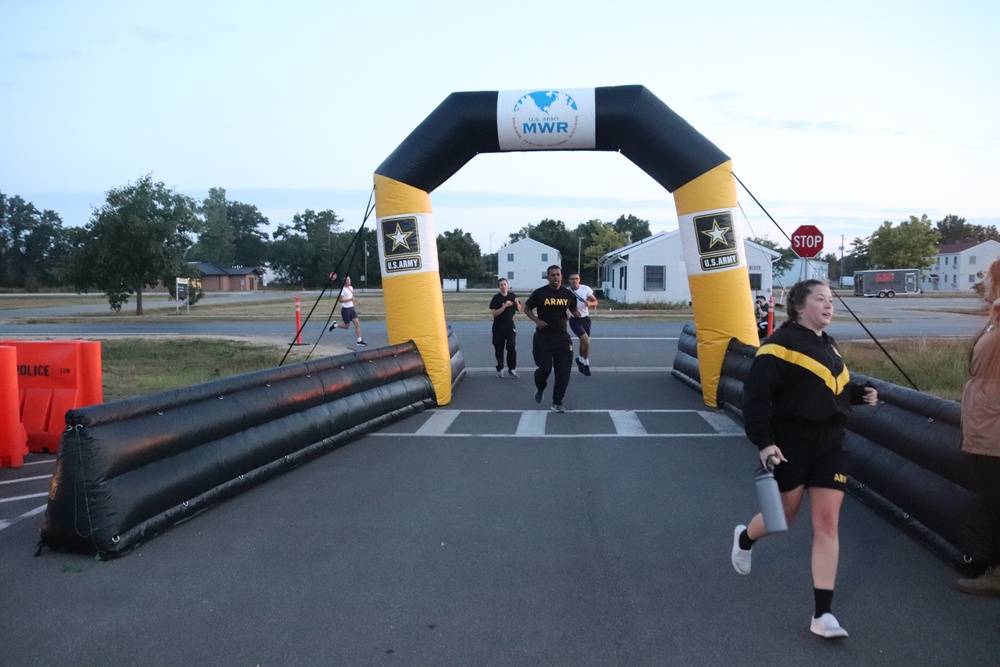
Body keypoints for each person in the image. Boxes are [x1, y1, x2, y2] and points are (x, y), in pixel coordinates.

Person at [731, 279, 878, 639]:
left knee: (827, 524)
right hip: (790, 442)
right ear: (798, 306)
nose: (829, 306)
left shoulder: (830, 346)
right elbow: (756, 398)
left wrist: (858, 395)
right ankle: (745, 539)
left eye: (831, 300)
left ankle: (822, 614)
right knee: (784, 516)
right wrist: (764, 443)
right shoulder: (777, 347)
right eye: (820, 299)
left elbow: (831, 390)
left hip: (831, 442)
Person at [956, 257, 1000, 596]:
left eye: (987, 277)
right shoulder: (993, 319)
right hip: (983, 423)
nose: (983, 282)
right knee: (989, 501)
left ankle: (996, 574)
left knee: (995, 503)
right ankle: (986, 562)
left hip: (994, 428)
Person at [524, 265, 578, 413]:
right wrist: (536, 320)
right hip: (543, 337)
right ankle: (540, 387)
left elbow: (574, 310)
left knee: (563, 371)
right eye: (552, 275)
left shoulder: (567, 294)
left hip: (562, 338)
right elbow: (527, 308)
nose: (555, 277)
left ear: (561, 276)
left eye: (558, 275)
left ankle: (557, 402)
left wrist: (574, 314)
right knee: (545, 369)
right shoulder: (540, 293)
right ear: (548, 277)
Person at [489, 278, 521, 378]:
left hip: (510, 325)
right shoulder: (496, 298)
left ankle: (512, 368)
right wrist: (504, 306)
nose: (503, 287)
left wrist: (517, 303)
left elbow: (519, 310)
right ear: (499, 287)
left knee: (511, 346)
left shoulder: (512, 295)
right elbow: (494, 314)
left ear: (507, 285)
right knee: (499, 347)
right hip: (498, 326)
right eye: (501, 285)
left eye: (504, 284)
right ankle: (500, 367)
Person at [567, 273, 599, 376]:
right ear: (569, 281)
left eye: (576, 278)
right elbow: (562, 306)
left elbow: (595, 302)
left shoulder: (585, 289)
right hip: (574, 320)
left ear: (579, 280)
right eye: (572, 279)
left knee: (583, 342)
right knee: (587, 341)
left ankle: (580, 360)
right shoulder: (567, 292)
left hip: (585, 319)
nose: (575, 281)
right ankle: (586, 364)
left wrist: (590, 303)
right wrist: (566, 313)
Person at [328, 274, 367, 346]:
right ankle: (335, 325)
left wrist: (356, 300)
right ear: (344, 282)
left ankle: (359, 341)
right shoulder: (343, 290)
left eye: (349, 279)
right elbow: (340, 300)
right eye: (347, 280)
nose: (349, 281)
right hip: (345, 310)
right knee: (346, 326)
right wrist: (350, 299)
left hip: (352, 309)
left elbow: (351, 296)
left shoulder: (351, 288)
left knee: (357, 324)